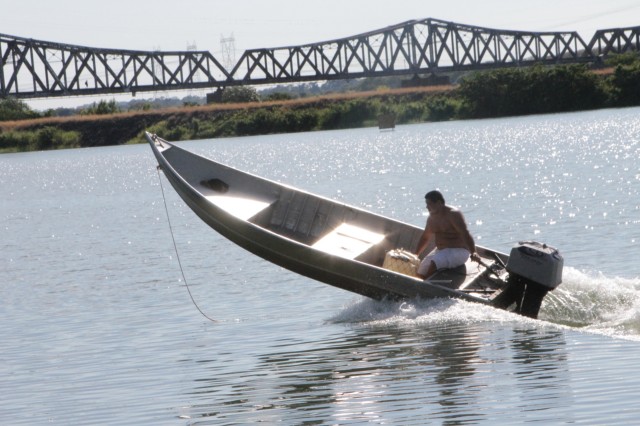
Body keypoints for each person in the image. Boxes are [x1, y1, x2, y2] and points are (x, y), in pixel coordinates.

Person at [415, 190, 478, 279]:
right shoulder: (431, 218)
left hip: (459, 251)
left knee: (435, 262)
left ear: (439, 203)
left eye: (429, 204)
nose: (427, 207)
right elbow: (425, 237)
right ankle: (418, 284)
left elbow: (465, 233)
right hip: (440, 251)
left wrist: (474, 252)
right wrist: (416, 254)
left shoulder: (453, 214)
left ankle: (424, 286)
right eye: (426, 204)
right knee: (421, 269)